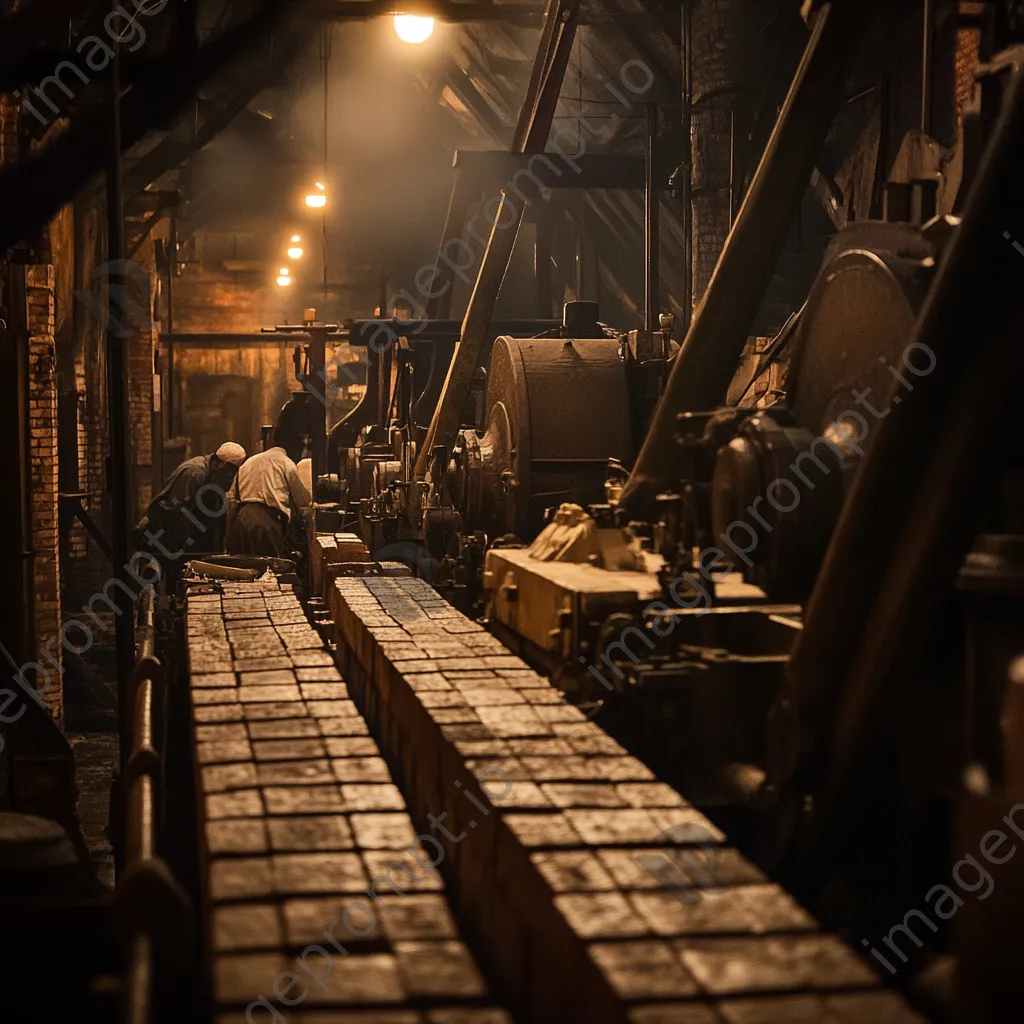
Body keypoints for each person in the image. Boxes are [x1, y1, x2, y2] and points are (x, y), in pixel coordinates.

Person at [133, 442, 247, 583]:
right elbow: (174, 514)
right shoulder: (194, 473)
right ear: (217, 464)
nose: (231, 478)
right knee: (163, 584)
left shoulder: (213, 478)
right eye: (229, 473)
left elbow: (214, 520)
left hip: (180, 545)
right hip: (162, 541)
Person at [226, 429, 311, 557]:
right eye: (301, 447)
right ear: (291, 445)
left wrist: (228, 536)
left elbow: (232, 504)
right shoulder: (286, 463)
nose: (302, 453)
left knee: (243, 570)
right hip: (265, 524)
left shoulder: (248, 462)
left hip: (241, 521)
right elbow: (304, 503)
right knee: (270, 569)